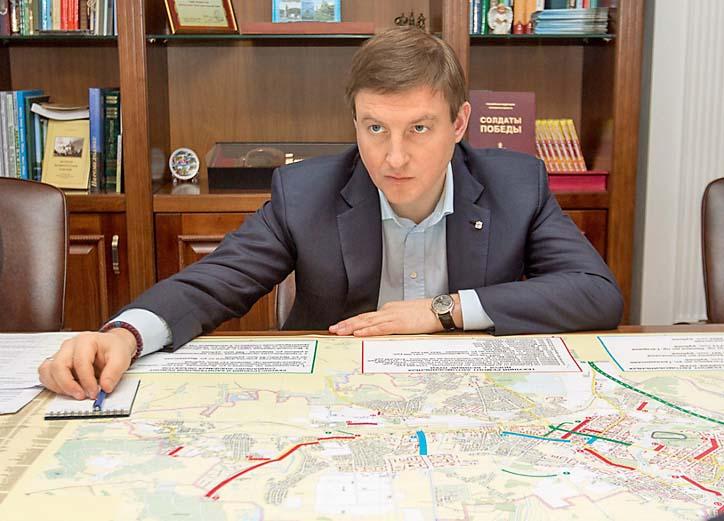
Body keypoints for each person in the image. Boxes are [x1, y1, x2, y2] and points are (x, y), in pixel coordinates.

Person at [39, 27, 623, 400]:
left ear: (460, 124)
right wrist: (126, 333)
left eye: (420, 128)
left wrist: (441, 312)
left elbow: (595, 292)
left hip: (472, 393)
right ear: (355, 123)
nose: (394, 156)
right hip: (335, 400)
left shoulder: (515, 185)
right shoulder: (307, 192)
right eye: (376, 128)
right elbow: (215, 281)